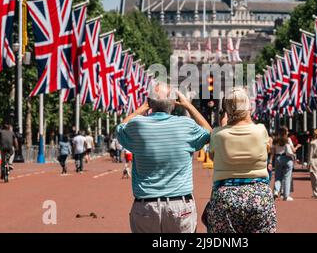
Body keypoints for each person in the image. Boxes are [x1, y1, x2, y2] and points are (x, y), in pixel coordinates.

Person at [116, 83, 211, 233]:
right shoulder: (186, 125)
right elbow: (210, 134)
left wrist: (142, 108)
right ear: (173, 104)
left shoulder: (137, 125)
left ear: (150, 103)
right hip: (179, 204)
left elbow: (119, 130)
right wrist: (188, 106)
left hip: (146, 205)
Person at [205, 87, 276, 233]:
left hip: (225, 196)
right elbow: (266, 150)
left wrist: (225, 122)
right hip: (259, 194)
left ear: (226, 110)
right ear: (248, 108)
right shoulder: (261, 130)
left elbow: (213, 157)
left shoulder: (218, 134)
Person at [272, 126, 300, 201]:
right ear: (285, 132)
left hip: (278, 158)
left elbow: (272, 151)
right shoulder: (288, 140)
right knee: (287, 177)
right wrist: (297, 147)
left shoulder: (275, 140)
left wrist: (270, 161)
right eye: (287, 131)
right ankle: (286, 196)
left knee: (278, 177)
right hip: (287, 159)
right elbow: (293, 150)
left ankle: (276, 191)